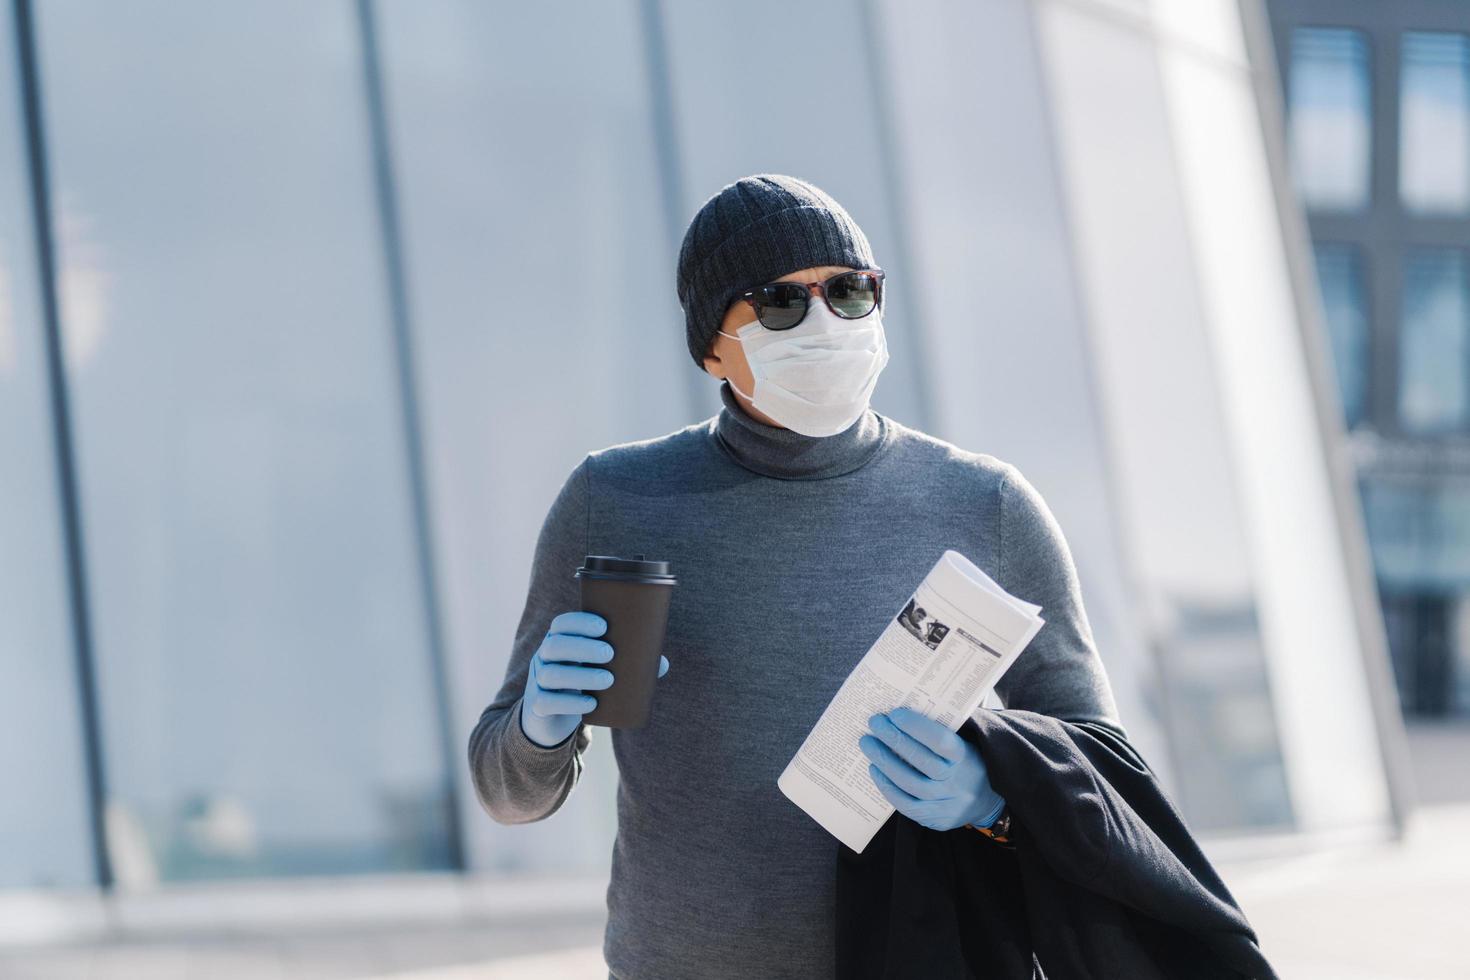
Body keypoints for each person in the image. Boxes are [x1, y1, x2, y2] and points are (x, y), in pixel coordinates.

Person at [467, 173, 1125, 979]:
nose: (824, 321)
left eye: (850, 292)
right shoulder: (616, 498)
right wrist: (540, 726)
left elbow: (1104, 778)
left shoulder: (986, 503)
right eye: (780, 302)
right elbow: (508, 794)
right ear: (713, 345)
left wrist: (994, 801)